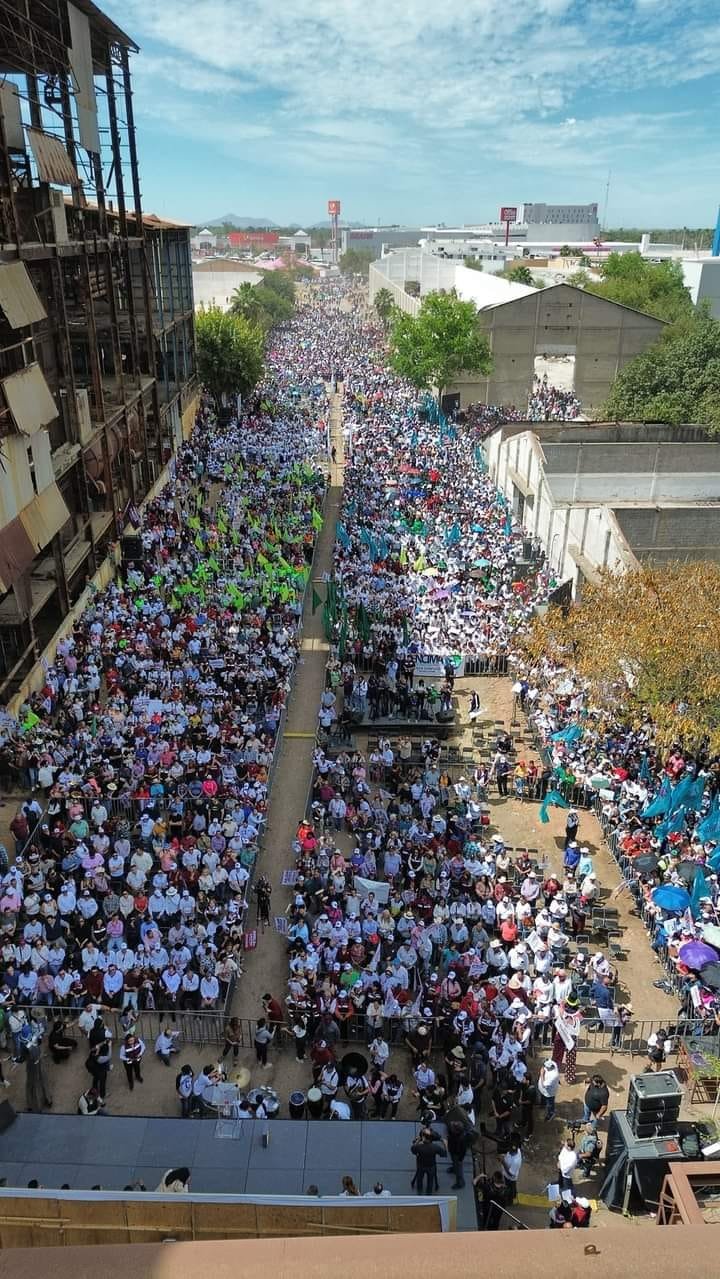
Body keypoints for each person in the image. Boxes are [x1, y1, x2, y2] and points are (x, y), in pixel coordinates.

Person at [411, 1127, 446, 1195]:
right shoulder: (435, 1147)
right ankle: (429, 1193)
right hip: (431, 1166)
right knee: (430, 1181)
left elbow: (413, 1150)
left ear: (423, 1137)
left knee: (419, 1179)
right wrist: (445, 1144)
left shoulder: (418, 1147)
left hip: (421, 1166)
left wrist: (417, 1141)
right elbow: (444, 1154)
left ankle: (419, 1190)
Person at [446, 1120, 471, 1189]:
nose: (451, 1127)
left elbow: (463, 1151)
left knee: (459, 1168)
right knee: (454, 1162)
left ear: (457, 1131)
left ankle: (460, 1183)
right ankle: (454, 1169)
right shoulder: (452, 1132)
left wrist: (460, 1160)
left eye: (453, 1127)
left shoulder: (462, 1139)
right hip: (452, 1150)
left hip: (457, 1155)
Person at [500, 1138, 522, 1202]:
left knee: (509, 1188)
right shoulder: (517, 1150)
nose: (508, 1151)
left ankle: (509, 1200)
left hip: (509, 1177)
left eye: (509, 1150)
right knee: (513, 1187)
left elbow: (510, 1173)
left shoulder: (516, 1161)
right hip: (508, 1174)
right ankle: (514, 1195)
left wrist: (503, 1163)